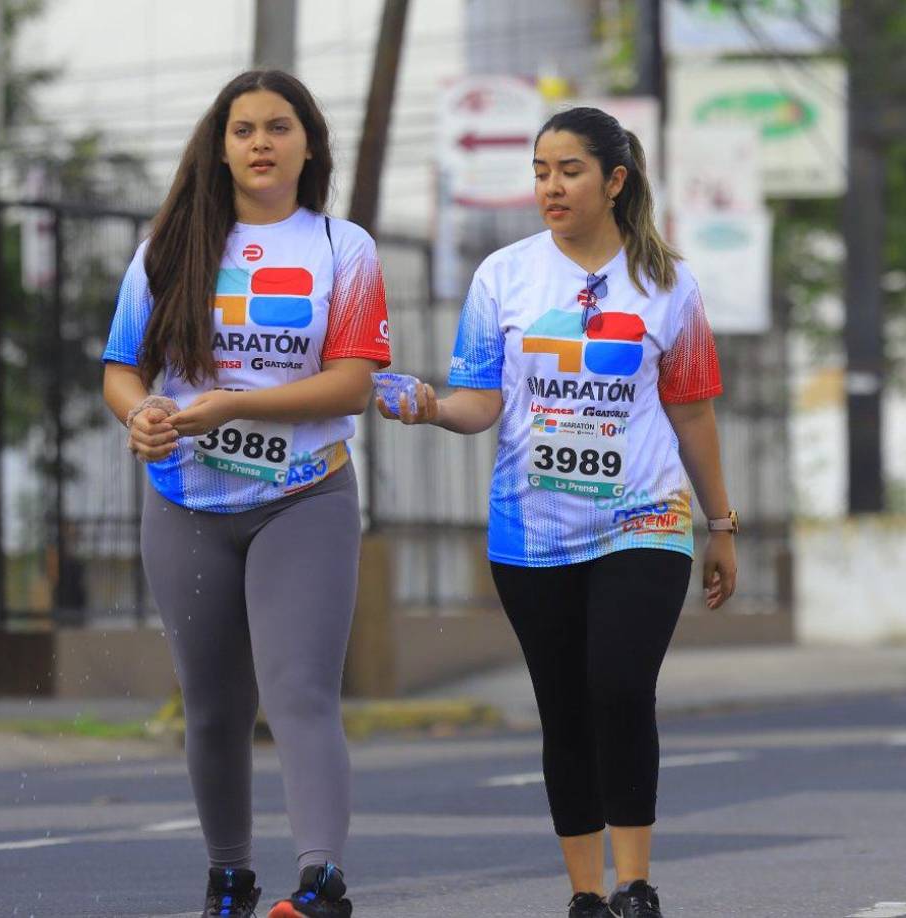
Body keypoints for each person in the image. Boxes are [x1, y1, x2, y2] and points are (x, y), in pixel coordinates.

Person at [376, 106, 737, 918]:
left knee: (618, 686)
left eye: (569, 170)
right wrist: (433, 407)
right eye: (540, 171)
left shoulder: (671, 286)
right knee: (563, 706)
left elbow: (692, 414)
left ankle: (636, 884)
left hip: (642, 518)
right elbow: (481, 404)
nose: (551, 187)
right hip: (529, 531)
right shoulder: (502, 276)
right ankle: (585, 894)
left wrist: (721, 526)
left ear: (614, 181)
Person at [102, 70, 390, 918]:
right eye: (243, 129)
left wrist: (232, 405)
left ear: (309, 143)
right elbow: (123, 372)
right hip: (185, 501)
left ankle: (320, 879)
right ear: (220, 147)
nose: (260, 142)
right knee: (215, 705)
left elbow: (350, 386)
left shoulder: (345, 249)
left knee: (300, 690)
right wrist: (143, 417)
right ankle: (229, 875)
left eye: (278, 126)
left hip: (305, 495)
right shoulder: (168, 250)